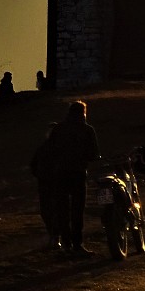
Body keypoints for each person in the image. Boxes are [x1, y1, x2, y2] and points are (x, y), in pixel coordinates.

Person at [51, 100, 100, 256]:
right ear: (83, 113)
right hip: (78, 173)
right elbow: (94, 153)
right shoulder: (87, 130)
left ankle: (66, 244)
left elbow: (50, 150)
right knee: (77, 210)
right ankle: (77, 244)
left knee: (62, 209)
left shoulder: (58, 129)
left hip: (60, 173)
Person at [29, 123, 62, 250]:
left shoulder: (44, 148)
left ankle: (55, 236)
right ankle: (55, 236)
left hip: (48, 183)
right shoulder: (47, 148)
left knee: (50, 211)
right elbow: (34, 165)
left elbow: (33, 165)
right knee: (51, 211)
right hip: (50, 183)